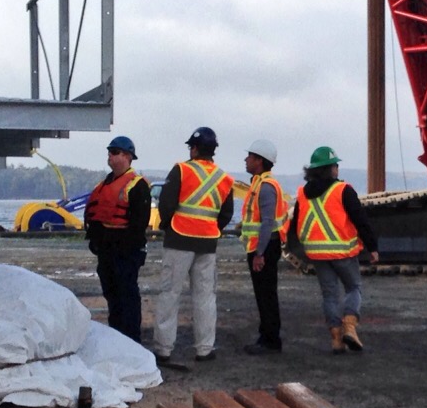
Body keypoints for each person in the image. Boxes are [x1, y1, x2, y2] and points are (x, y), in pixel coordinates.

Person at [152, 126, 235, 362]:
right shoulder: (224, 178)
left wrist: (169, 225)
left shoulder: (181, 170)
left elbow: (166, 204)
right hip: (208, 242)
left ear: (195, 148)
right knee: (205, 296)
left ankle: (164, 349)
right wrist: (212, 228)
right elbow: (226, 213)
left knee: (170, 293)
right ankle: (205, 348)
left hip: (179, 239)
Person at [289, 146, 379, 354]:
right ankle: (349, 325)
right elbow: (360, 219)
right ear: (330, 169)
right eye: (335, 165)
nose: (337, 168)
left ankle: (336, 339)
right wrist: (372, 246)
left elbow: (296, 225)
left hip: (317, 254)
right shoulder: (342, 190)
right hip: (342, 252)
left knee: (329, 295)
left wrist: (296, 247)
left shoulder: (303, 193)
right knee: (353, 288)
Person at [84, 135, 152, 342]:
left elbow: (139, 224)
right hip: (106, 250)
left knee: (127, 297)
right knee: (112, 296)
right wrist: (95, 241)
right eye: (109, 153)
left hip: (125, 251)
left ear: (127, 156)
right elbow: (96, 216)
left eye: (114, 153)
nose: (110, 157)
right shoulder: (104, 185)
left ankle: (132, 340)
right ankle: (116, 337)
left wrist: (126, 248)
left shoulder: (137, 185)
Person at [240, 139, 290, 355]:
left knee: (266, 295)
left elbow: (267, 222)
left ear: (259, 160)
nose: (246, 159)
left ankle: (270, 340)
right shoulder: (260, 183)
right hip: (263, 247)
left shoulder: (266, 186)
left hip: (264, 249)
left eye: (250, 156)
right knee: (264, 294)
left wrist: (259, 254)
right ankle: (267, 336)